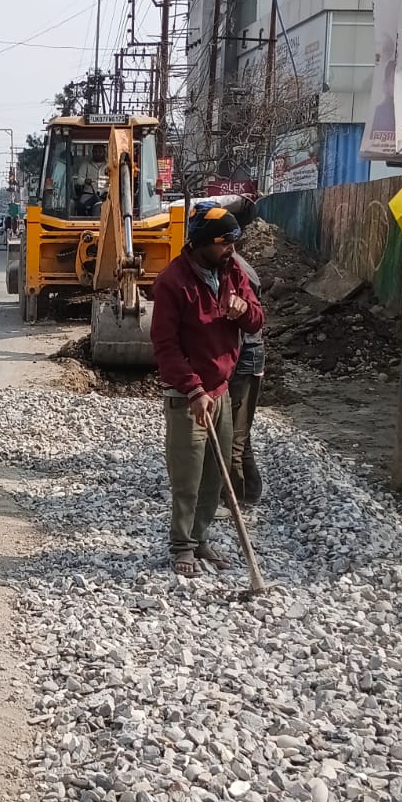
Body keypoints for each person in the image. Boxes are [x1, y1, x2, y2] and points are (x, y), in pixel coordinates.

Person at [151, 206, 264, 577]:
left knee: (216, 475)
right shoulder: (172, 282)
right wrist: (194, 389)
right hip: (187, 395)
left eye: (233, 241)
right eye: (224, 242)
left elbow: (257, 319)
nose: (232, 248)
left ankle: (199, 537)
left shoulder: (232, 271)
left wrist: (243, 309)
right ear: (201, 243)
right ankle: (182, 545)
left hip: (221, 390)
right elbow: (165, 346)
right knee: (188, 477)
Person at [229, 244, 264, 509]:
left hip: (245, 356)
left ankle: (234, 497)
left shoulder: (237, 270)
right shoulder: (233, 265)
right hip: (245, 354)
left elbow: (250, 316)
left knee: (234, 435)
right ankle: (250, 489)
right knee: (240, 432)